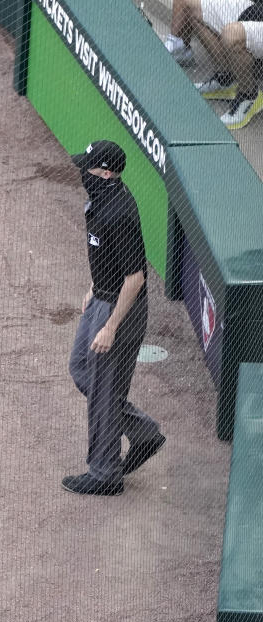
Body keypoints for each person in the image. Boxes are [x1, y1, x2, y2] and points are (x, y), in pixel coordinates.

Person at [62, 141, 166, 496]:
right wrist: (95, 283)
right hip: (103, 298)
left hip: (120, 309)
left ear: (106, 172)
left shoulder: (118, 210)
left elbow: (135, 277)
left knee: (104, 389)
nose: (82, 173)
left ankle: (105, 473)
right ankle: (141, 431)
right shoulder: (102, 199)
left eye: (88, 168)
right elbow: (110, 256)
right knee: (81, 368)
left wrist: (110, 326)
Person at [164, 0, 263, 129]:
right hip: (254, 8)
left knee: (232, 34)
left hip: (257, 15)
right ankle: (226, 79)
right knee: (190, 4)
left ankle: (249, 94)